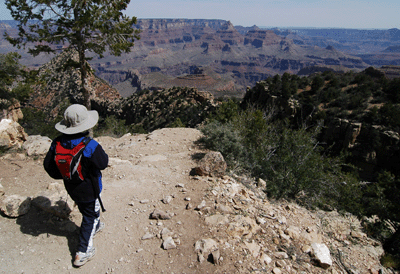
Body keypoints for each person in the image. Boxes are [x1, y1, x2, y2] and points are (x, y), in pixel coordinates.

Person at [43, 104, 109, 267]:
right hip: (90, 189)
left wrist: (65, 175)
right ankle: (82, 252)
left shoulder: (57, 143)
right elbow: (103, 163)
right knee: (90, 215)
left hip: (71, 187)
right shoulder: (90, 145)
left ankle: (96, 225)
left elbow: (48, 165)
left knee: (86, 209)